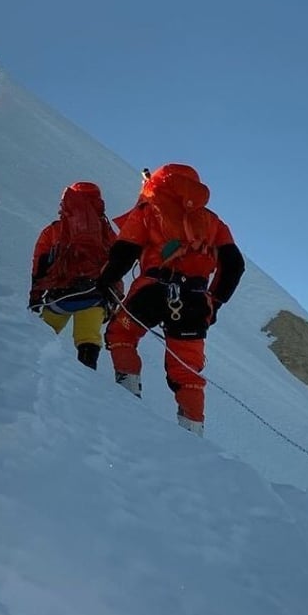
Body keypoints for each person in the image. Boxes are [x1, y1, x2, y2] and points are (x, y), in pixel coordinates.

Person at [94, 163, 245, 436]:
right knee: (187, 371)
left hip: (151, 292)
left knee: (121, 334)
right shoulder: (213, 221)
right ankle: (193, 435)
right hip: (195, 301)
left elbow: (124, 253)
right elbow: (234, 265)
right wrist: (215, 302)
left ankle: (128, 399)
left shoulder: (149, 209)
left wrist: (105, 283)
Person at [30, 182, 119, 370]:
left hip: (59, 296)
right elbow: (118, 263)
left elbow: (40, 262)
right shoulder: (105, 231)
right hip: (95, 295)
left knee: (41, 334)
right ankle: (86, 381)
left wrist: (36, 295)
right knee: (88, 338)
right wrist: (115, 297)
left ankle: (30, 371)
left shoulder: (55, 229)